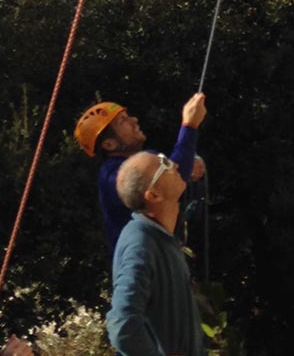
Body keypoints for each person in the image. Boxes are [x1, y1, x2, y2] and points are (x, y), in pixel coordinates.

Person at [74, 93, 207, 255]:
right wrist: (189, 126)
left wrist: (191, 161)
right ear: (109, 144)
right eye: (123, 121)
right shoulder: (112, 177)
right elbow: (170, 179)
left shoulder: (146, 158)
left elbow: (175, 172)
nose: (134, 120)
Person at [106, 151, 204, 356]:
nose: (175, 166)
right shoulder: (140, 243)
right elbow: (122, 324)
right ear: (153, 195)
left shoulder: (161, 237)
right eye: (164, 164)